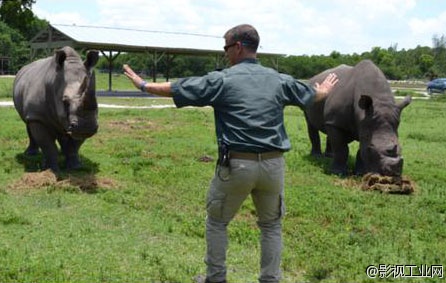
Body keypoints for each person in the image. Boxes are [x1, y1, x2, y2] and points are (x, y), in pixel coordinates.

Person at [123, 24, 338, 283]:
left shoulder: (222, 80)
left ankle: (216, 278)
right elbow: (313, 94)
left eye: (226, 47)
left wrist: (144, 85)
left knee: (217, 222)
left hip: (238, 165)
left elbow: (180, 87)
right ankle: (270, 279)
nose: (225, 53)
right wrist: (324, 90)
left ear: (237, 47)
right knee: (271, 226)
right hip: (273, 166)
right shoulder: (279, 79)